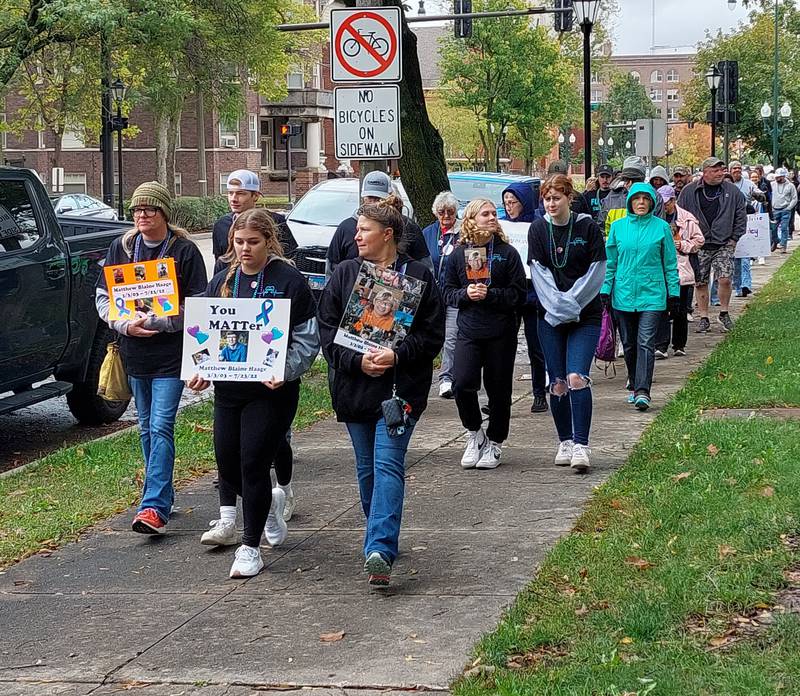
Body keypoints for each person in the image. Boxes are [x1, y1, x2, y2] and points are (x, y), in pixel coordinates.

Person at [317, 195, 444, 588]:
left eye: (364, 230)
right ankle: (378, 532)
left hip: (398, 389)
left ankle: (381, 550)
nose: (356, 236)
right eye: (357, 230)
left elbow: (432, 335)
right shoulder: (343, 275)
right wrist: (357, 362)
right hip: (354, 388)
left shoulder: (418, 275)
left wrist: (396, 355)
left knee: (388, 463)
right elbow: (327, 332)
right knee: (367, 468)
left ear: (387, 234)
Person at [188, 208, 320, 578]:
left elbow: (309, 339)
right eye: (238, 242)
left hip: (271, 392)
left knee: (254, 463)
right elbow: (205, 335)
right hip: (229, 391)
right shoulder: (222, 281)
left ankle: (250, 547)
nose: (244, 249)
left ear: (269, 241)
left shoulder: (288, 280)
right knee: (229, 466)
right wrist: (199, 370)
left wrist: (286, 369)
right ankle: (271, 505)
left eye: (253, 242)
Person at [95, 181, 208, 534]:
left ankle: (153, 507)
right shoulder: (122, 247)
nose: (142, 215)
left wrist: (160, 321)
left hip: (171, 356)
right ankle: (164, 495)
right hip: (134, 354)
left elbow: (199, 305)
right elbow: (103, 297)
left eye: (149, 209)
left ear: (164, 213)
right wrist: (125, 325)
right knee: (145, 427)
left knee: (160, 425)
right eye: (137, 210)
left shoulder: (184, 252)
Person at [528, 175, 607, 472]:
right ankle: (565, 441)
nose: (551, 203)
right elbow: (539, 274)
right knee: (558, 382)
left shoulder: (586, 227)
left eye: (557, 198)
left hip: (584, 314)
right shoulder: (538, 229)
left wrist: (572, 303)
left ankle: (581, 445)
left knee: (576, 377)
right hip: (549, 316)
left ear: (569, 198)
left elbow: (596, 271)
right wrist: (557, 307)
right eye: (547, 198)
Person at [444, 199, 526, 470]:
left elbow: (518, 294)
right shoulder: (458, 253)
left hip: (500, 331)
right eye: (485, 214)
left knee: (498, 389)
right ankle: (474, 432)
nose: (492, 217)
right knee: (462, 382)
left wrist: (491, 295)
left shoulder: (507, 253)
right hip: (469, 330)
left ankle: (495, 441)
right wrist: (465, 294)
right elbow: (445, 291)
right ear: (471, 218)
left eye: (494, 213)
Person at [601, 183, 680, 411]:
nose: (642, 203)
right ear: (630, 202)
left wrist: (673, 293)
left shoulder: (661, 228)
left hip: (652, 295)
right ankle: (635, 384)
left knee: (645, 342)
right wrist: (605, 289)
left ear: (653, 202)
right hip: (623, 294)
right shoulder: (618, 228)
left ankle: (644, 390)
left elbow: (670, 264)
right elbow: (611, 263)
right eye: (637, 199)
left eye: (646, 199)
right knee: (629, 344)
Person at [678, 157, 747, 333]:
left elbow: (741, 216)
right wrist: (686, 240)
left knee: (725, 278)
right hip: (699, 244)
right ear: (705, 171)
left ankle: (724, 312)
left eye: (721, 170)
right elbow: (680, 216)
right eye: (716, 170)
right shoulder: (689, 191)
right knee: (700, 281)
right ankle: (704, 316)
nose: (720, 173)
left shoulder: (732, 191)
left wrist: (733, 240)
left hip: (723, 242)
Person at [326, 170, 432, 276]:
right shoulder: (346, 228)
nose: (374, 203)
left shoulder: (408, 226)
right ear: (363, 198)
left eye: (378, 198)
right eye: (370, 198)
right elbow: (331, 269)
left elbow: (426, 268)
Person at [501, 180, 547, 413]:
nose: (509, 207)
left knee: (536, 347)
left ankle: (540, 393)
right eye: (506, 203)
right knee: (504, 348)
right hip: (510, 294)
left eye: (514, 202)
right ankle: (501, 397)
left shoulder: (538, 225)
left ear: (524, 203)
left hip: (533, 294)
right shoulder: (502, 228)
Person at [212, 170, 297, 274]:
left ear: (255, 196)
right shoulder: (221, 225)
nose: (233, 199)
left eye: (240, 193)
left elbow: (290, 259)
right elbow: (220, 263)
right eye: (230, 193)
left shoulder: (275, 221)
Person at [653, 185, 704, 358]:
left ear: (673, 201)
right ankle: (661, 345)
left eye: (667, 202)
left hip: (683, 269)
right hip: (661, 272)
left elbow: (699, 240)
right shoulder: (654, 218)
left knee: (681, 311)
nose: (664, 206)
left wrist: (683, 245)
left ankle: (679, 345)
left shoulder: (687, 219)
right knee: (662, 309)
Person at [422, 192, 459, 399]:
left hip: (452, 295)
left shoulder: (463, 232)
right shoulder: (428, 233)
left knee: (451, 337)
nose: (446, 215)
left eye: (450, 211)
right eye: (441, 211)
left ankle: (446, 379)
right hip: (431, 296)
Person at [599, 156, 663, 235]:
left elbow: (660, 230)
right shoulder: (610, 198)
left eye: (635, 180)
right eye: (627, 179)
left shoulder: (655, 197)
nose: (630, 183)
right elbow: (602, 230)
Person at [771, 167, 797, 254]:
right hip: (775, 209)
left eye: (779, 177)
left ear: (783, 176)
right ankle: (776, 241)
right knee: (773, 228)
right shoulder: (772, 184)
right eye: (776, 177)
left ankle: (783, 245)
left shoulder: (790, 185)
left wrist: (789, 207)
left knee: (784, 228)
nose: (777, 178)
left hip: (785, 210)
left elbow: (794, 198)